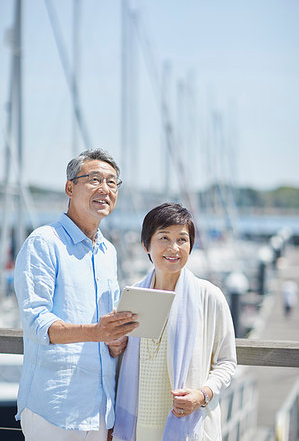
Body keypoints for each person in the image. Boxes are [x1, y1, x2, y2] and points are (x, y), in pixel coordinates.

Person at [14, 148, 138, 441]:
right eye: (95, 179)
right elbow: (36, 323)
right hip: (54, 408)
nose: (105, 189)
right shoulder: (44, 243)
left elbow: (103, 330)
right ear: (70, 187)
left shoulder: (109, 252)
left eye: (112, 182)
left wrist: (114, 339)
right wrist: (97, 332)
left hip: (100, 409)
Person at [112, 203, 237, 441]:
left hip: (188, 424)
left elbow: (227, 361)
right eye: (164, 237)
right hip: (137, 427)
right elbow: (116, 357)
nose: (174, 248)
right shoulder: (132, 296)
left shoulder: (208, 296)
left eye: (182, 239)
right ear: (146, 245)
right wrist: (114, 345)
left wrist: (202, 395)